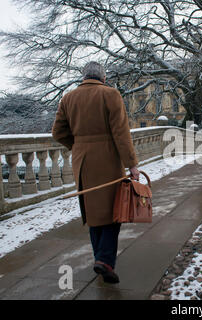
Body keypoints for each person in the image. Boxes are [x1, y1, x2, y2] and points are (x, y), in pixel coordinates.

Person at [52, 61, 140, 283]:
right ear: (103, 77)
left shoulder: (68, 98)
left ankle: (100, 258)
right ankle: (105, 261)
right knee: (113, 210)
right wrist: (132, 164)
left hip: (81, 161)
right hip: (108, 159)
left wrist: (78, 145)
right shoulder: (110, 94)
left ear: (84, 77)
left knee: (93, 212)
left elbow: (58, 133)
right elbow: (121, 133)